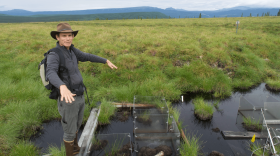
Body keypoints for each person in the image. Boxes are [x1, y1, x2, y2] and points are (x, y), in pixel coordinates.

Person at [46, 23, 117, 156]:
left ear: (73, 36)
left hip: (79, 94)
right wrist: (62, 87)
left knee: (77, 124)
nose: (68, 38)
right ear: (57, 37)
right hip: (68, 98)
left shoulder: (72, 50)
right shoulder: (54, 54)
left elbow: (87, 56)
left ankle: (76, 149)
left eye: (70, 35)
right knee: (69, 130)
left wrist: (105, 60)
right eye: (64, 36)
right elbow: (50, 72)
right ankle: (70, 153)